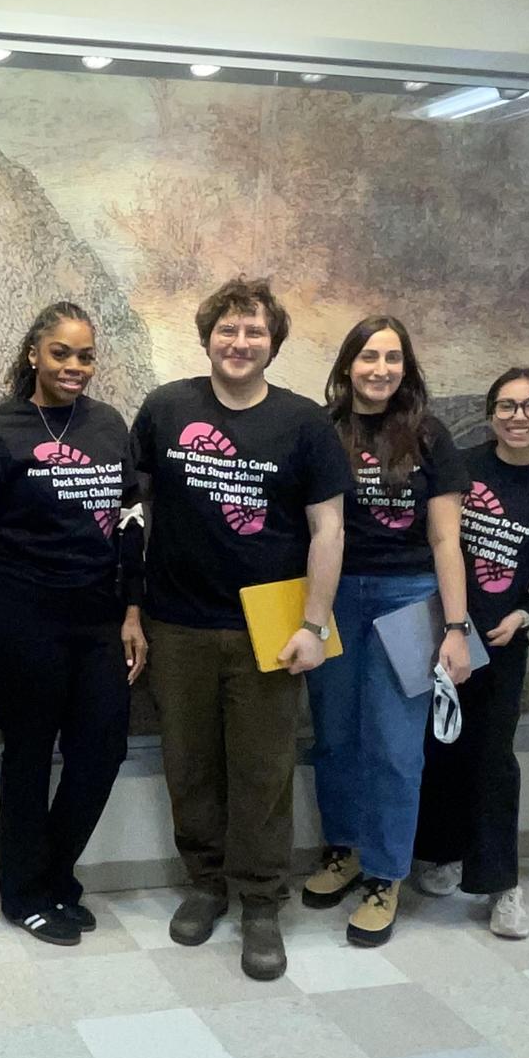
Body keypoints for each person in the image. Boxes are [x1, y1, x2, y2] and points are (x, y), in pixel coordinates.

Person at [131, 278, 349, 980]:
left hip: (272, 628)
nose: (240, 341)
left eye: (254, 331)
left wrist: (314, 624)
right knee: (189, 765)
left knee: (263, 771)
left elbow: (328, 529)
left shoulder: (305, 423)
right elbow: (133, 513)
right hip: (178, 623)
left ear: (273, 343)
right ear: (207, 337)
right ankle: (206, 884)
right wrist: (131, 609)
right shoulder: (167, 409)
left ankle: (260, 902)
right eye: (228, 328)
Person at [0, 302, 147, 946]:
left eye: (85, 355)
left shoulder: (108, 424)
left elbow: (130, 524)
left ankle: (56, 874)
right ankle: (24, 895)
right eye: (61, 353)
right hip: (20, 620)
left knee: (103, 750)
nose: (74, 366)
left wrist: (132, 610)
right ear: (34, 354)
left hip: (96, 619)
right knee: (29, 758)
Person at [303, 316, 472, 948]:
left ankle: (384, 874)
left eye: (392, 358)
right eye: (368, 357)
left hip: (409, 599)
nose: (380, 369)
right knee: (334, 737)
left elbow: (446, 539)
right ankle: (344, 848)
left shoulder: (429, 435)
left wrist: (455, 627)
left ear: (406, 368)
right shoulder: (321, 430)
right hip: (335, 597)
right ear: (348, 365)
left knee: (396, 748)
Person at [412, 369, 529, 939]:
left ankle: (501, 883)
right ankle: (440, 853)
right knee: (437, 747)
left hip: (500, 643)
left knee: (492, 759)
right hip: (438, 633)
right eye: (507, 406)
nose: (519, 417)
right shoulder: (459, 466)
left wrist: (525, 613)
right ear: (491, 414)